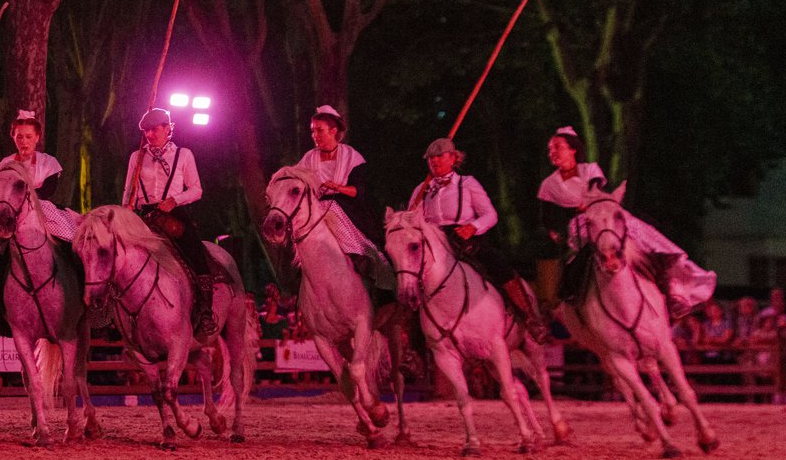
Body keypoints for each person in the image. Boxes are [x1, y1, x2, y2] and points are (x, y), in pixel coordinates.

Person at [539, 126, 715, 320]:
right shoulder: (549, 184)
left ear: (572, 149)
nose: (553, 152)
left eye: (557, 147)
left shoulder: (589, 169)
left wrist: (590, 204)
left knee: (642, 231)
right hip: (580, 222)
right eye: (550, 149)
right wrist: (554, 232)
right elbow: (547, 215)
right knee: (585, 252)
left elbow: (595, 191)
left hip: (602, 212)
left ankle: (672, 286)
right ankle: (571, 296)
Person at [411, 137, 550, 343]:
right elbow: (412, 221)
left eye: (439, 156)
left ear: (453, 158)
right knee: (409, 279)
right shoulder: (421, 191)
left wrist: (472, 227)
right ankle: (411, 343)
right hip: (433, 242)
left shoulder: (467, 184)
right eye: (430, 158)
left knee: (497, 263)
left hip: (463, 238)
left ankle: (530, 318)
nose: (434, 161)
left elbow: (490, 214)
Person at [121, 107, 216, 336]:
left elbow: (197, 190)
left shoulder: (184, 155)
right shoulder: (137, 156)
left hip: (173, 214)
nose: (150, 135)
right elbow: (128, 191)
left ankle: (204, 311)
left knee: (196, 254)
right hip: (144, 216)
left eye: (154, 129)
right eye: (146, 131)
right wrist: (126, 207)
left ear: (167, 128)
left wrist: (175, 200)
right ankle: (116, 312)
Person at [295, 105, 393, 296]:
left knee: (333, 212)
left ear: (333, 131)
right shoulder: (308, 159)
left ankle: (359, 258)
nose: (315, 135)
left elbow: (358, 191)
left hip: (344, 206)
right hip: (315, 208)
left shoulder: (352, 157)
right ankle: (297, 284)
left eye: (319, 130)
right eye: (313, 131)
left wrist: (336, 188)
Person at [0, 110, 83, 241]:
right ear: (13, 137)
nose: (24, 142)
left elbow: (49, 190)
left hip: (40, 207)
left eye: (29, 137)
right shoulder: (6, 163)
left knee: (70, 235)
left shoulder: (48, 162)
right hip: (11, 209)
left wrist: (28, 197)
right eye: (19, 137)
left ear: (37, 137)